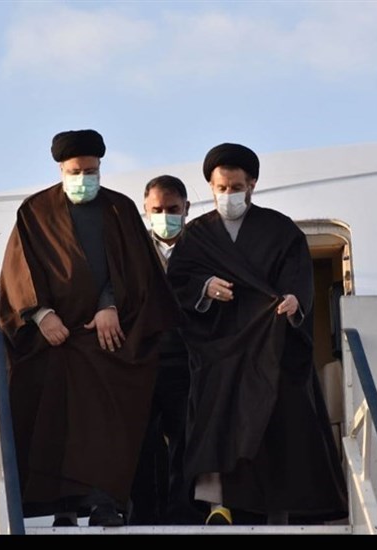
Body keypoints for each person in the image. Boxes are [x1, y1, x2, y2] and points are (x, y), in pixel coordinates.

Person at [0, 129, 180, 527]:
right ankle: (62, 508)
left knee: (106, 426)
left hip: (108, 340)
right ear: (61, 169)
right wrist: (42, 315)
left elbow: (139, 271)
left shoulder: (120, 209)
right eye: (76, 172)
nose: (84, 179)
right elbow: (18, 272)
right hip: (55, 342)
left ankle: (105, 502)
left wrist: (109, 305)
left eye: (91, 171)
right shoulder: (35, 211)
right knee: (55, 423)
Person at [166, 143, 348, 526]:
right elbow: (178, 282)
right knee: (215, 422)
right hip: (218, 351)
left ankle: (277, 512)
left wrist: (294, 301)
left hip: (270, 346)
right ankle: (218, 507)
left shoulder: (280, 230)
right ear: (211, 187)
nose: (228, 195)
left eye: (236, 187)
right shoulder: (196, 235)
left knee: (276, 425)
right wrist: (205, 287)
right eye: (221, 188)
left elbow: (298, 281)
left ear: (251, 185)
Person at [128, 175, 205, 526]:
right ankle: (143, 516)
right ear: (145, 209)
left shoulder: (203, 246)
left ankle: (184, 515)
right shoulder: (132, 249)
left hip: (187, 357)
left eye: (172, 209)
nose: (165, 216)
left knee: (186, 439)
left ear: (186, 208)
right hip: (143, 358)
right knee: (142, 442)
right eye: (157, 209)